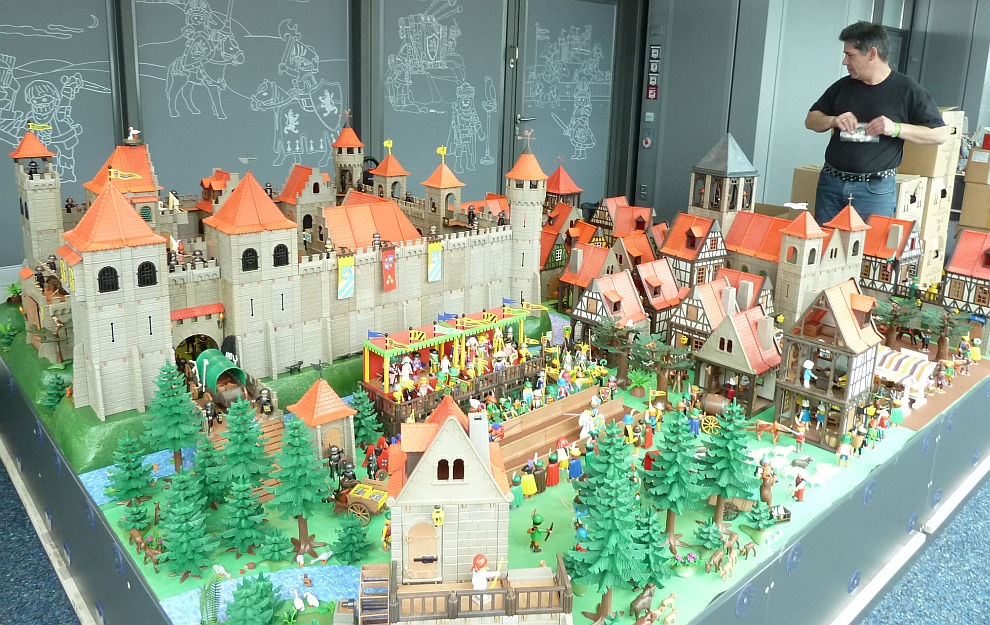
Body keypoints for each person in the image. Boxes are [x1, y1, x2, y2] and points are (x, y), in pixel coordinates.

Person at [805, 21, 948, 224]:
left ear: (872, 53)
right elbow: (811, 120)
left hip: (874, 191)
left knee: (871, 245)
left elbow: (940, 134)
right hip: (831, 185)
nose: (845, 62)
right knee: (825, 242)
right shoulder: (842, 86)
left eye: (850, 55)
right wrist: (833, 120)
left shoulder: (907, 90)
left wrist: (895, 128)